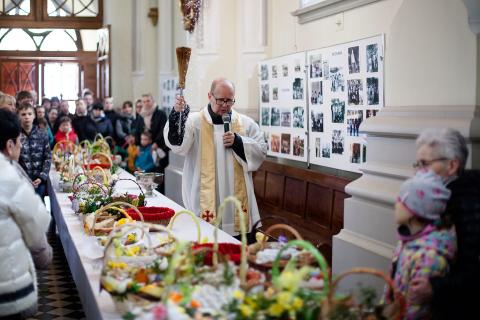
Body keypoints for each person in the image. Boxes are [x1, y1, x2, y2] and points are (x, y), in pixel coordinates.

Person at [165, 78, 267, 236]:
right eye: (221, 100)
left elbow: (261, 151)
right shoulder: (194, 122)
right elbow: (177, 145)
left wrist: (238, 142)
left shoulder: (245, 124)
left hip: (236, 203)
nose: (225, 105)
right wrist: (177, 115)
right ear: (209, 96)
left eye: (229, 100)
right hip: (203, 200)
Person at [409, 128, 479, 320]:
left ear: (452, 166)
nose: (417, 173)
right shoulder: (437, 200)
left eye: (424, 164)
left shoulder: (467, 205)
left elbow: (472, 270)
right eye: (417, 164)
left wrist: (435, 288)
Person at [0, 109, 52, 319]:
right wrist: (44, 257)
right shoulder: (9, 177)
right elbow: (37, 225)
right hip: (7, 283)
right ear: (10, 145)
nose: (21, 146)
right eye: (18, 141)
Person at [384, 169, 456, 319]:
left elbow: (417, 310)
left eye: (400, 200)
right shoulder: (407, 241)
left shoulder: (429, 257)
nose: (396, 204)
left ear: (415, 211)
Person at [134, 94, 169, 190]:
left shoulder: (160, 114)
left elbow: (163, 130)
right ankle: (146, 192)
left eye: (148, 101)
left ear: (153, 101)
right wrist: (137, 145)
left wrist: (156, 143)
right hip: (145, 148)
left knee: (157, 174)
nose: (146, 103)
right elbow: (137, 131)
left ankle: (159, 193)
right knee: (146, 171)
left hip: (159, 147)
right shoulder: (141, 114)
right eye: (144, 101)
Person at [17, 103, 52, 199]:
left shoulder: (42, 134)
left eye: (29, 114)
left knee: (40, 208)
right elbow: (13, 161)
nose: (27, 117)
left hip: (39, 180)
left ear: (34, 116)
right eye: (23, 114)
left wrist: (42, 177)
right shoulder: (16, 135)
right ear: (18, 116)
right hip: (22, 181)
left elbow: (48, 157)